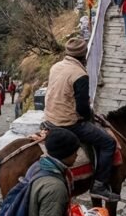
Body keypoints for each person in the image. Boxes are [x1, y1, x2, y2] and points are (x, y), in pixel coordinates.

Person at [43, 38, 121, 201]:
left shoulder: (56, 66)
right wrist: (89, 117)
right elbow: (82, 109)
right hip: (67, 123)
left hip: (49, 118)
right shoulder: (80, 75)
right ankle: (99, 185)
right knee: (108, 143)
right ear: (84, 56)